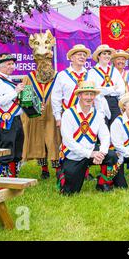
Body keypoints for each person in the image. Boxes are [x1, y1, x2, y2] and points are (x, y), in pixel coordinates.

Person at [52, 44, 109, 181]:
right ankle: (64, 169)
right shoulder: (62, 75)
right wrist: (57, 117)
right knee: (68, 142)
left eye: (84, 55)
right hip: (69, 115)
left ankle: (85, 170)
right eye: (78, 54)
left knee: (87, 139)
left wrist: (99, 114)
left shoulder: (90, 74)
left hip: (88, 114)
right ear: (71, 57)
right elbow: (56, 97)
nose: (82, 57)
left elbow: (98, 96)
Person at [57, 81, 118, 194]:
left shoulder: (98, 115)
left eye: (92, 94)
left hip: (92, 153)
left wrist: (101, 153)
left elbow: (105, 136)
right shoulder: (68, 114)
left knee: (112, 156)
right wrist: (90, 154)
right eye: (86, 94)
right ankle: (62, 173)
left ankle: (102, 183)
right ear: (79, 95)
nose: (89, 97)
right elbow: (68, 141)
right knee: (69, 193)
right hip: (73, 156)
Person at [21, 34, 61, 179]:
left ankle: (58, 169)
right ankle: (44, 169)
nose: (44, 63)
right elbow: (25, 100)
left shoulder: (59, 77)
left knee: (54, 140)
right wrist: (35, 108)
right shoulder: (28, 78)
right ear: (35, 61)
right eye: (40, 60)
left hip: (53, 114)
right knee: (39, 141)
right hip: (36, 116)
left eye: (47, 60)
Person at [0, 53, 25, 177]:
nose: (12, 66)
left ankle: (13, 177)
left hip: (15, 119)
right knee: (6, 151)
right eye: (9, 64)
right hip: (5, 121)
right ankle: (3, 180)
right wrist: (15, 91)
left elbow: (14, 101)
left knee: (17, 150)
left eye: (13, 64)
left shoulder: (7, 80)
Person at [89, 44, 126, 126]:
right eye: (104, 54)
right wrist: (113, 88)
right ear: (98, 56)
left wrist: (104, 90)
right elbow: (95, 91)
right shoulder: (92, 72)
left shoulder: (114, 70)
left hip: (115, 103)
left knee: (116, 128)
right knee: (102, 128)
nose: (107, 56)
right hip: (100, 102)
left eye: (109, 54)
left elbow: (121, 89)